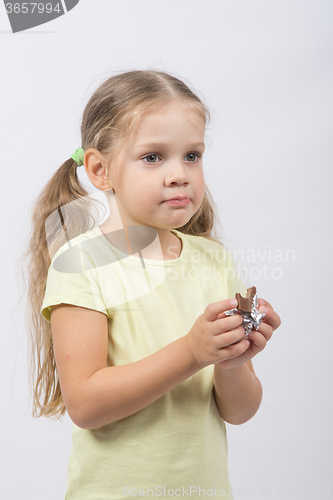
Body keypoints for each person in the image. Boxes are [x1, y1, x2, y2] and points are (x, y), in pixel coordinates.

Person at [24, 70, 281, 500]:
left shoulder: (213, 260)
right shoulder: (81, 263)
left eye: (192, 156)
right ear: (100, 170)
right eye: (153, 157)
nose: (180, 174)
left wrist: (232, 362)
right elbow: (85, 404)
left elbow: (239, 412)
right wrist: (191, 352)